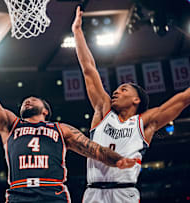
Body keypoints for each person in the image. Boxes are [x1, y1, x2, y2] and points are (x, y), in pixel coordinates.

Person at [0, 26, 137, 203]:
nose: (28, 100)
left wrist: (117, 160)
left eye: (33, 99)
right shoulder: (9, 124)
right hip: (19, 194)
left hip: (53, 194)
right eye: (26, 100)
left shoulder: (60, 129)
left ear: (46, 110)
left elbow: (93, 149)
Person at [72, 5, 190, 203]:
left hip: (124, 192)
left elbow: (185, 98)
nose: (116, 92)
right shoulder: (103, 111)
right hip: (93, 192)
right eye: (116, 89)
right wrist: (77, 32)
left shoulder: (144, 122)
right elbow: (88, 69)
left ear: (137, 100)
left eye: (123, 90)